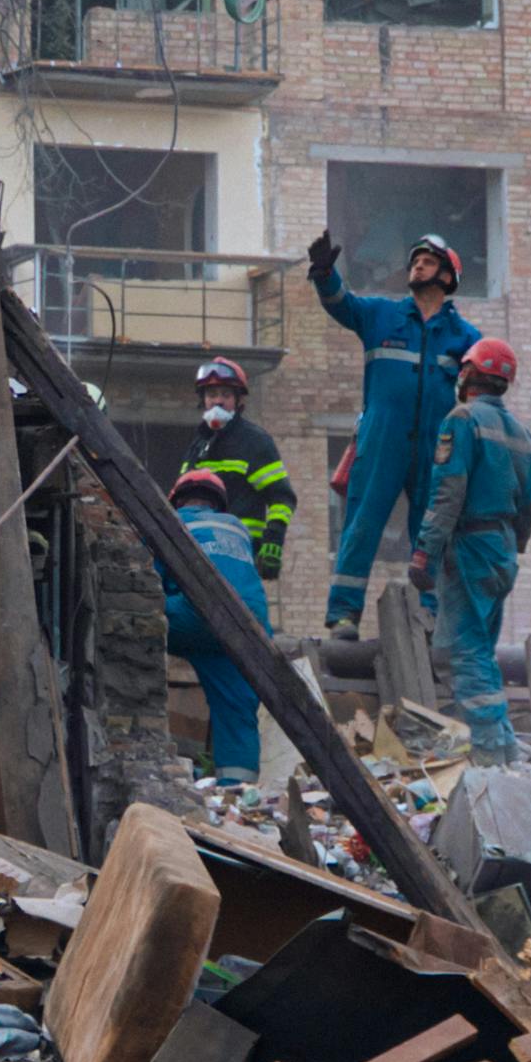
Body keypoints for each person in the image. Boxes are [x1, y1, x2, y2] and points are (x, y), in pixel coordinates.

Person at [307, 227, 483, 631]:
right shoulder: (380, 315)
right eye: (415, 262)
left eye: (427, 262)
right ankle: (344, 614)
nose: (417, 267)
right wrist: (325, 274)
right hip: (381, 439)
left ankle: (429, 616)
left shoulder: (465, 337)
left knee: (430, 532)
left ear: (447, 276)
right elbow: (342, 303)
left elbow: (481, 390)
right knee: (362, 524)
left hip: (436, 447)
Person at [409, 336, 531, 761]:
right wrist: (512, 549)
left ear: (468, 374)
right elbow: (529, 509)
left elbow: (448, 492)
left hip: (470, 546)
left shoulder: (462, 420)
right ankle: (505, 748)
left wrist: (425, 551)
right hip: (502, 550)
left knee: (462, 653)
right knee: (481, 651)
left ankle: (488, 750)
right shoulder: (522, 435)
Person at [159, 469, 271, 788]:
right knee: (237, 707)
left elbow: (146, 578)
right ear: (219, 502)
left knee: (138, 622)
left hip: (195, 614)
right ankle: (237, 791)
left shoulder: (171, 521)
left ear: (178, 499)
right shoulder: (237, 528)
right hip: (246, 626)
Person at [183, 356, 295, 581]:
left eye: (226, 395)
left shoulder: (254, 442)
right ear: (203, 400)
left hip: (241, 552)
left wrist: (273, 540)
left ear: (238, 400)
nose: (218, 401)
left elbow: (282, 498)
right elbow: (181, 498)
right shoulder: (199, 443)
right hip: (201, 554)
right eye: (212, 395)